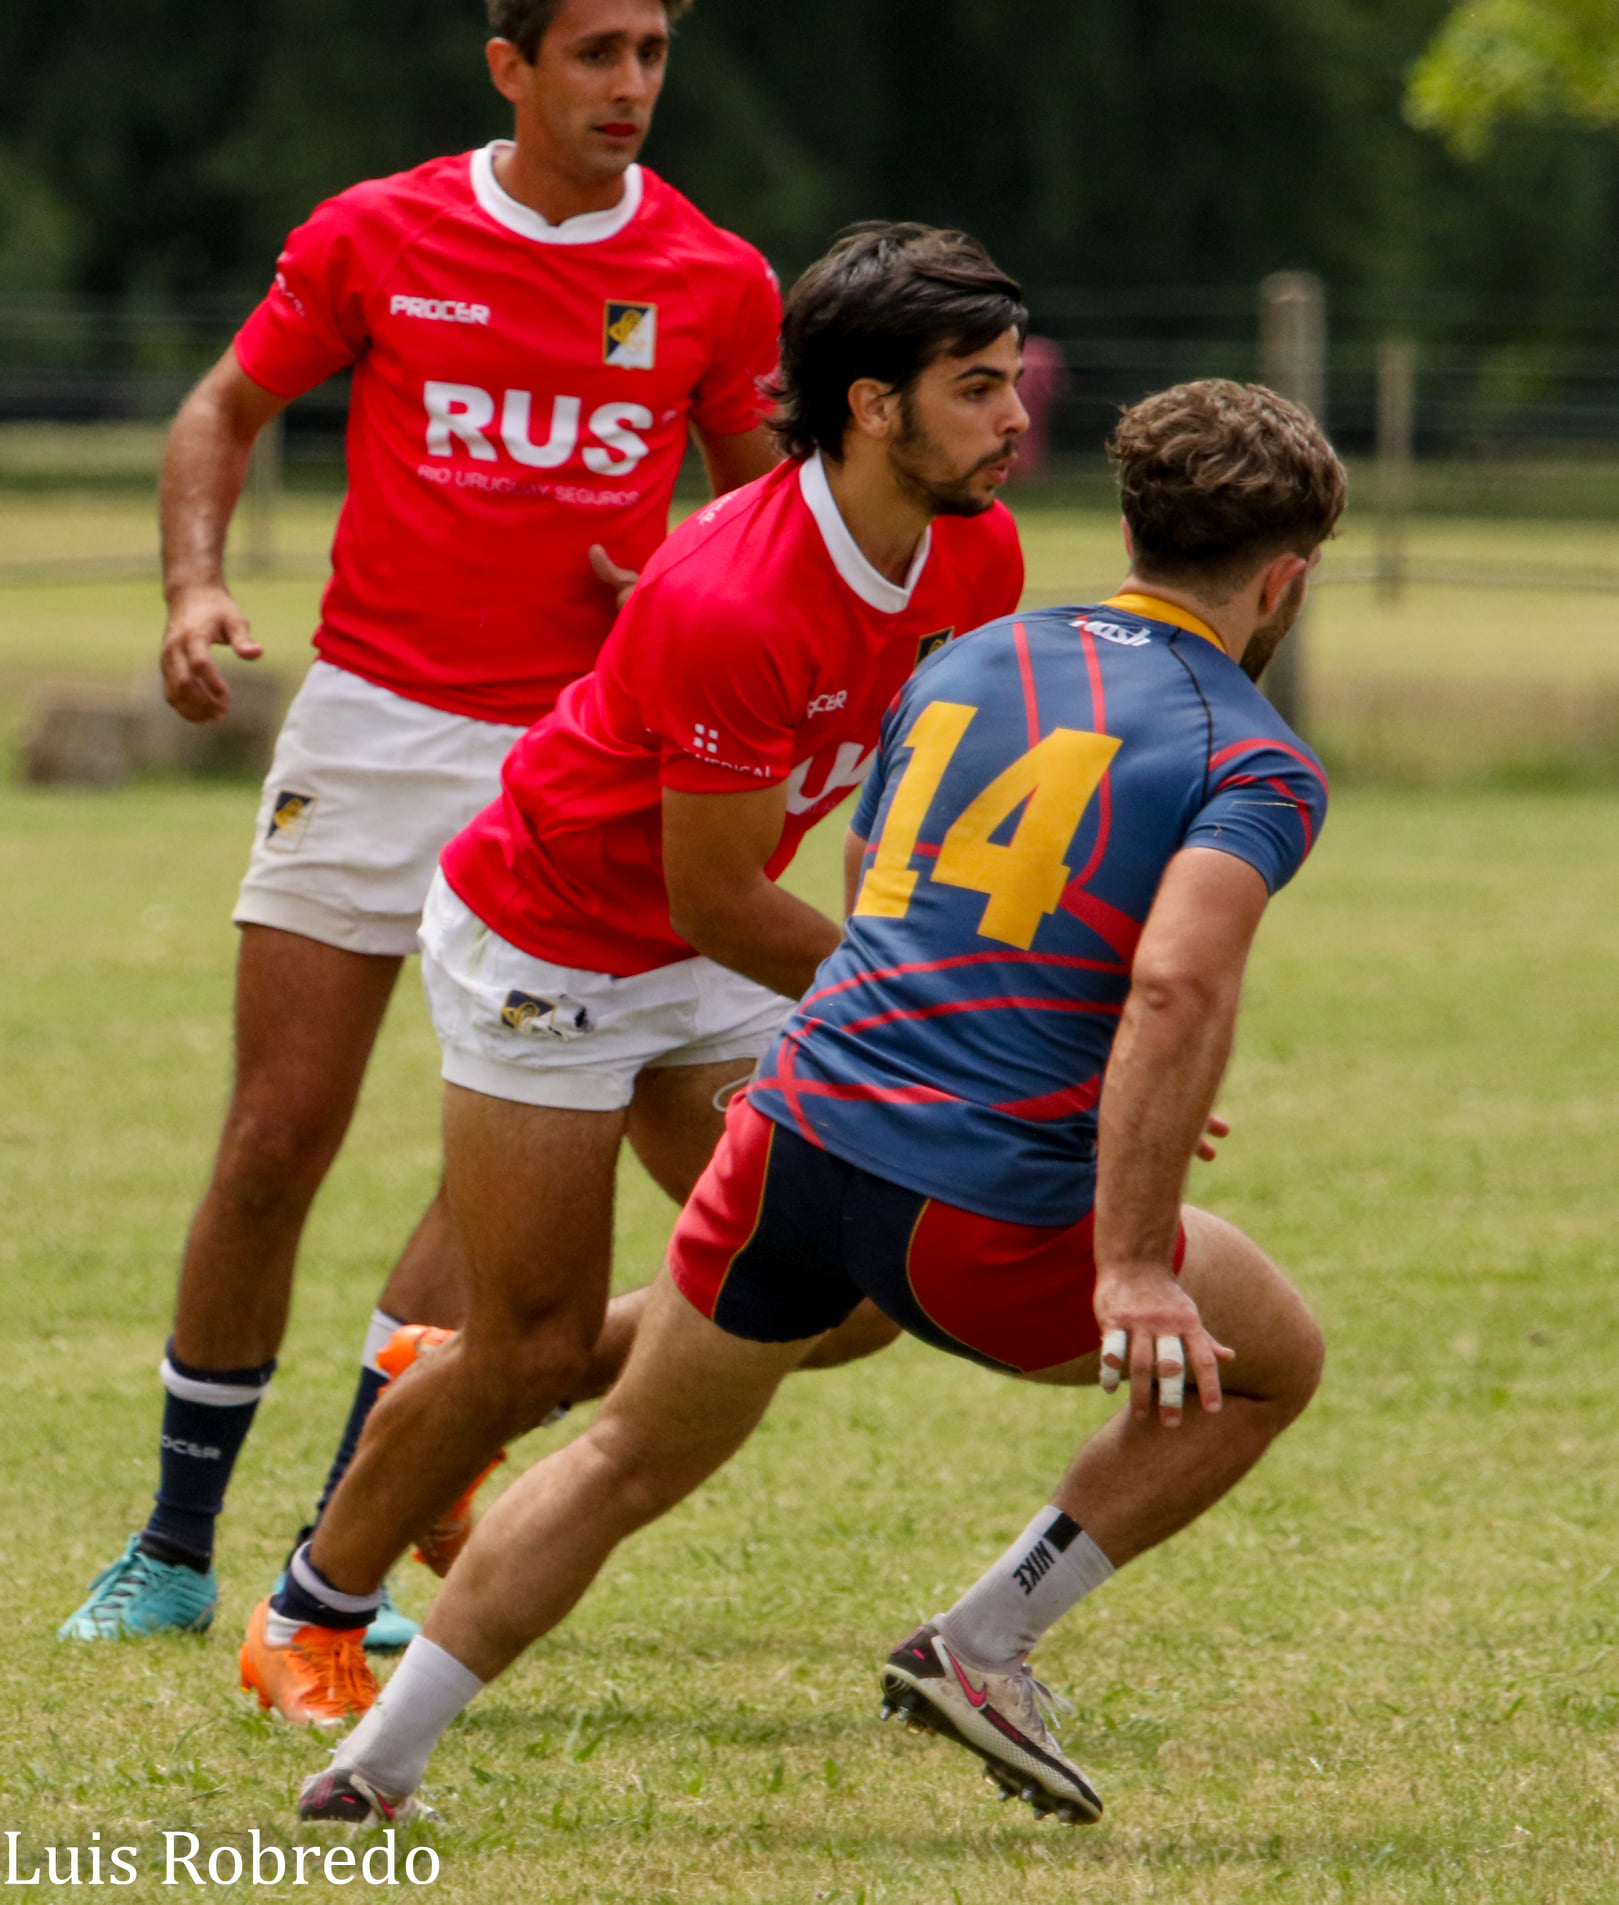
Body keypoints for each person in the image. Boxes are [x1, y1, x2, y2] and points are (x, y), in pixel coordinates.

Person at [289, 377, 1344, 1831]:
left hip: (792, 1132)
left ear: (1131, 522)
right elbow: (1177, 987)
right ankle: (983, 1644)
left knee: (620, 1456)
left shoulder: (968, 661)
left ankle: (374, 1763)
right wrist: (1136, 1257)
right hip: (977, 1203)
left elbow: (889, 901)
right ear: (1286, 575)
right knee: (1272, 1355)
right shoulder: (1258, 755)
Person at [60, 0, 787, 1649]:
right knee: (272, 1142)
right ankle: (172, 1545)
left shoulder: (714, 278)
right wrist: (192, 589)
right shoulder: (378, 231)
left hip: (582, 767)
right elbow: (219, 414)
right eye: (595, 53)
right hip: (374, 733)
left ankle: (343, 1540)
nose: (630, 87)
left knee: (504, 1164)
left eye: (653, 54)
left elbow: (765, 516)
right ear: (509, 68)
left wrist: (675, 585)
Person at [238, 219, 1031, 1729]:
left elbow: (895, 805)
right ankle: (306, 1613)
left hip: (716, 949)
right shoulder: (734, 593)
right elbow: (717, 894)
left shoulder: (976, 552)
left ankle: (447, 1390)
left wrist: (954, 965)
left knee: (856, 1282)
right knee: (532, 1339)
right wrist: (942, 1002)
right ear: (872, 406)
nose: (1017, 417)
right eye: (979, 387)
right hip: (556, 946)